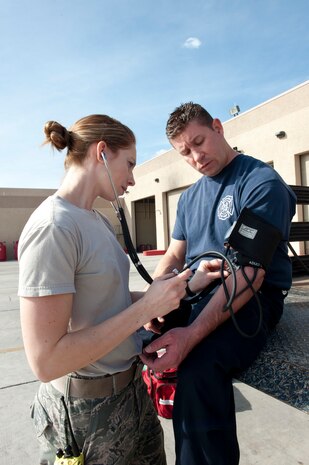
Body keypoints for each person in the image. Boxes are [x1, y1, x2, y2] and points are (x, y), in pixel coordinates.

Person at [17, 113, 212, 465]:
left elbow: (111, 302)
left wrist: (186, 285)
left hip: (132, 395)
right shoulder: (54, 227)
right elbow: (46, 362)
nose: (133, 179)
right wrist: (145, 309)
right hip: (84, 414)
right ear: (102, 152)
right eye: (130, 164)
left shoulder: (97, 220)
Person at [140, 102, 296, 465]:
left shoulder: (260, 183)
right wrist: (154, 302)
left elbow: (250, 274)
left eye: (199, 142)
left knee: (199, 368)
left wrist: (190, 334)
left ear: (218, 127)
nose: (196, 157)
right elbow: (172, 258)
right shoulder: (190, 197)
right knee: (130, 341)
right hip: (198, 291)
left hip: (252, 297)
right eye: (185, 152)